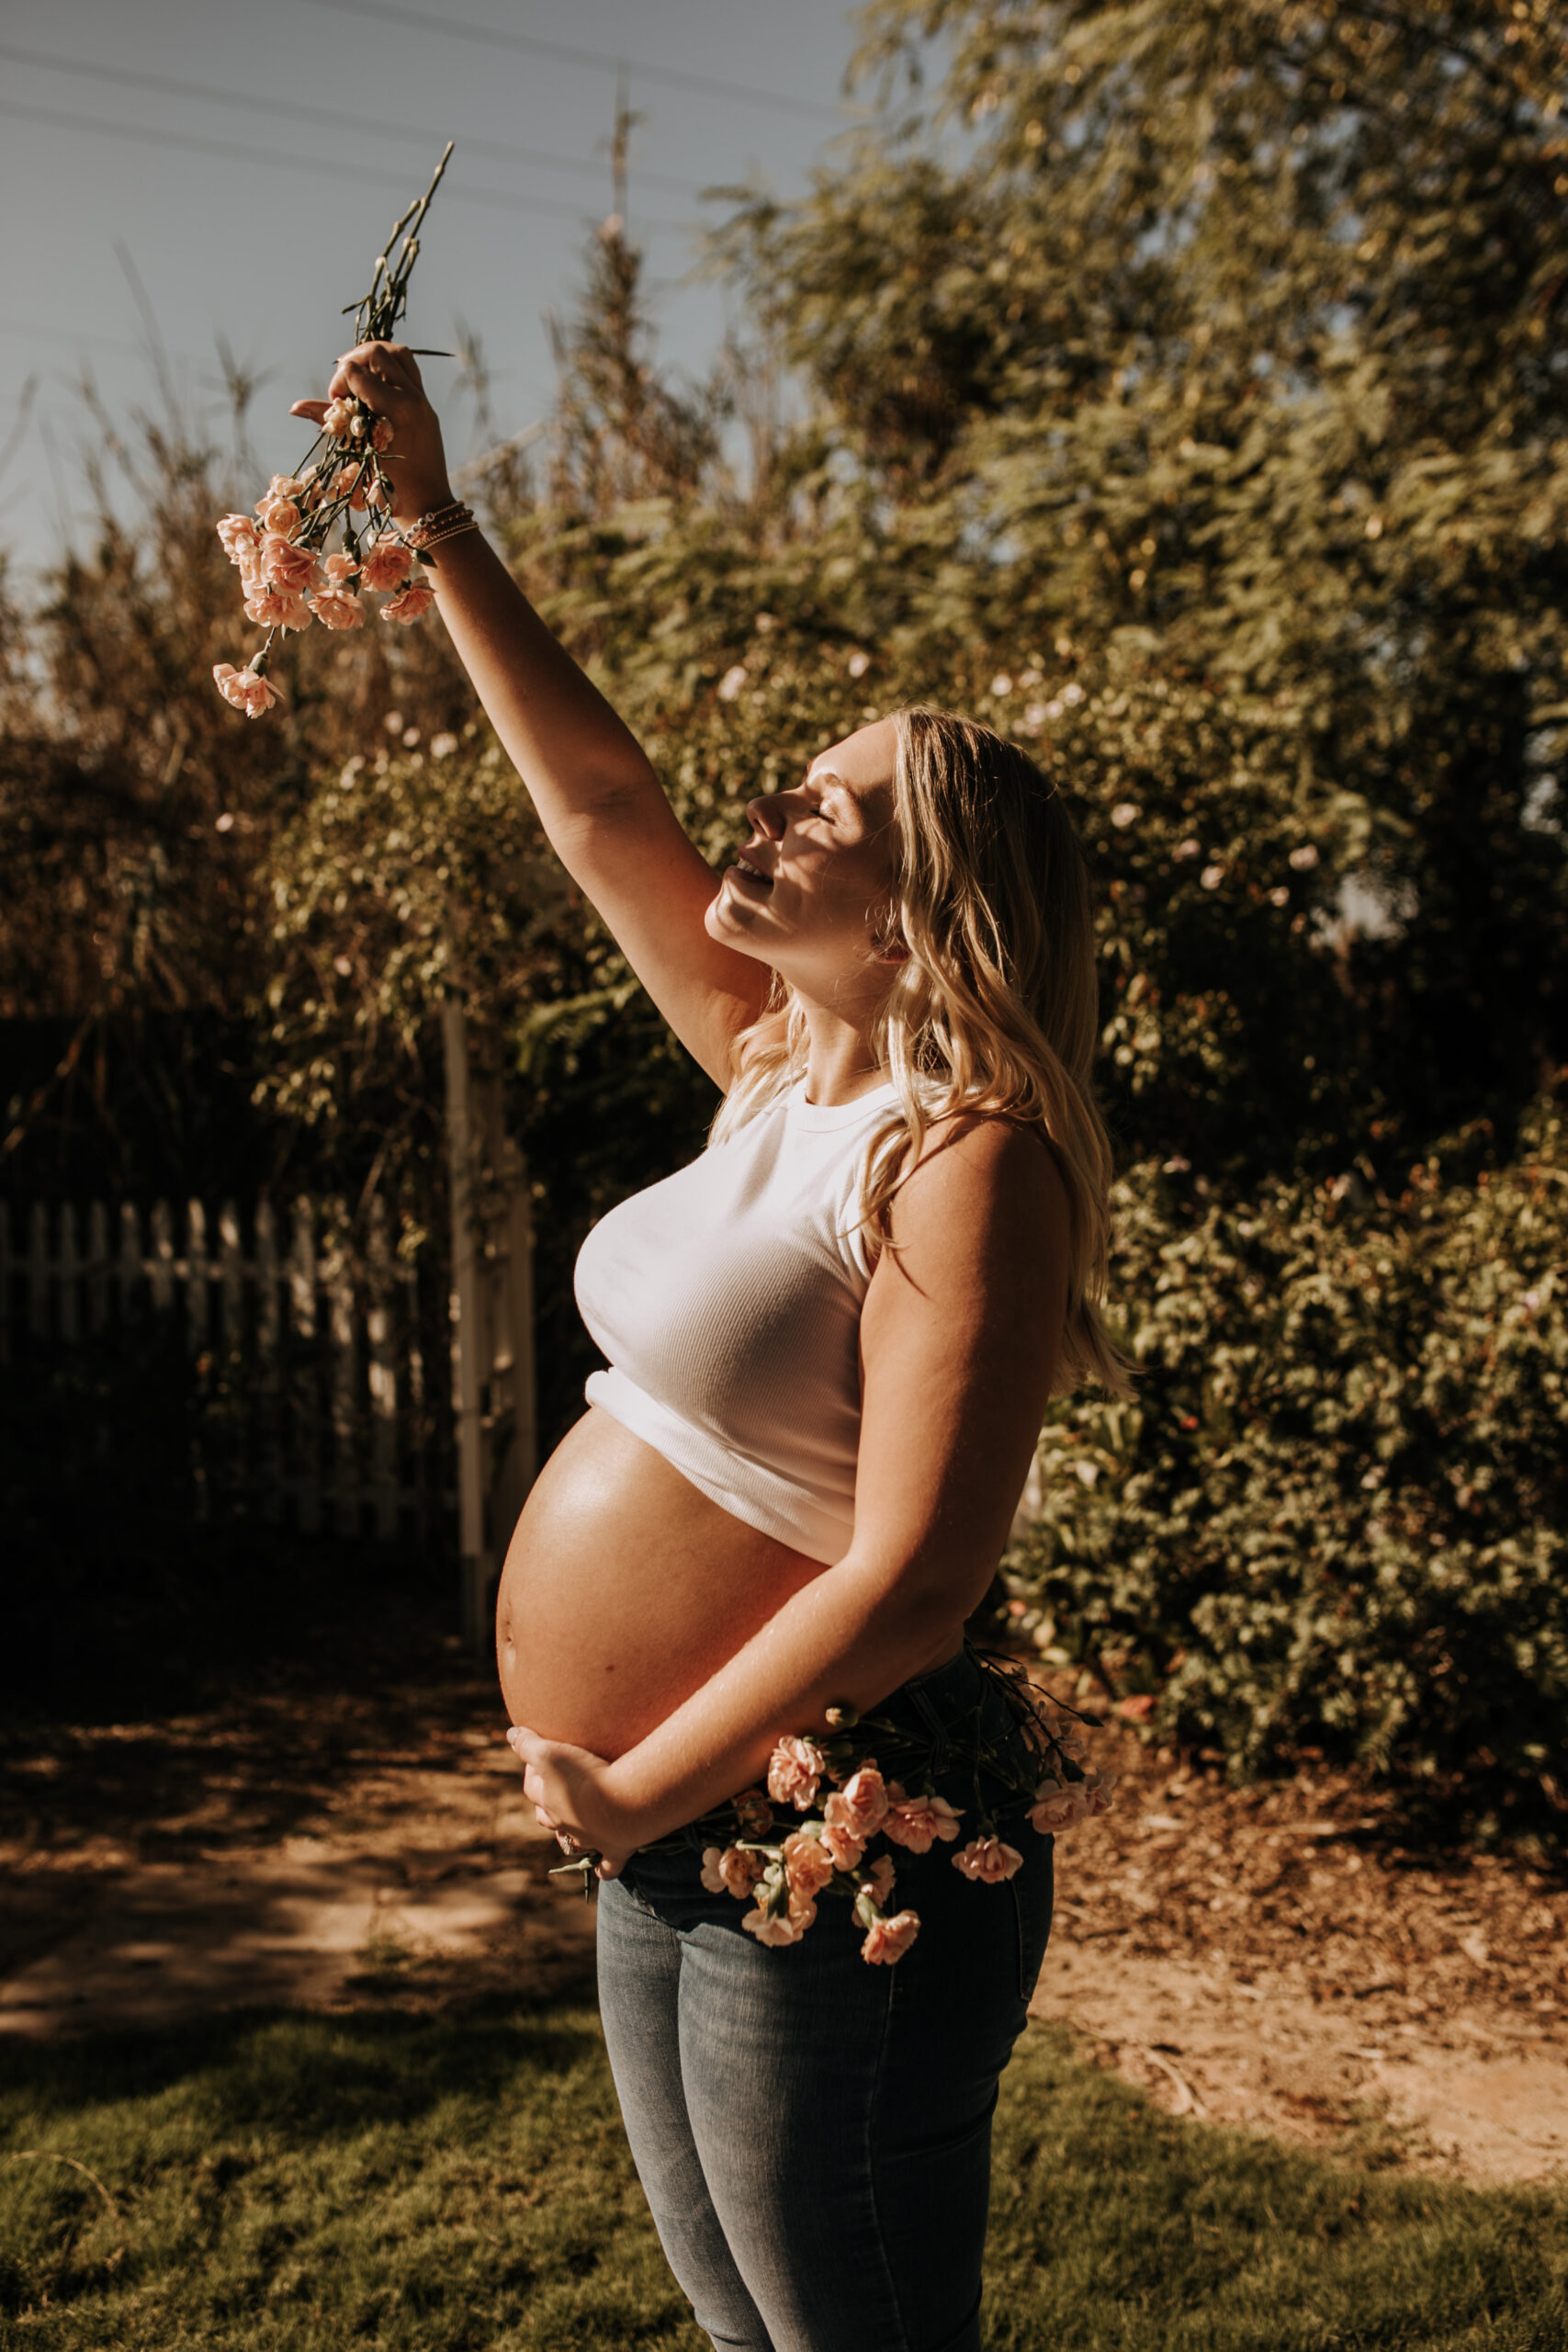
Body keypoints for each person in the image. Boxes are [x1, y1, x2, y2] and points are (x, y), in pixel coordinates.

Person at [293, 343, 1127, 2352]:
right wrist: (428, 512)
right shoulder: (773, 1074)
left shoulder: (963, 1154)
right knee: (738, 2320)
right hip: (674, 1820)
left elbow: (916, 1577)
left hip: (811, 1825)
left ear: (925, 903)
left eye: (823, 802)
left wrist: (636, 1780)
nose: (764, 807)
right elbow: (595, 805)